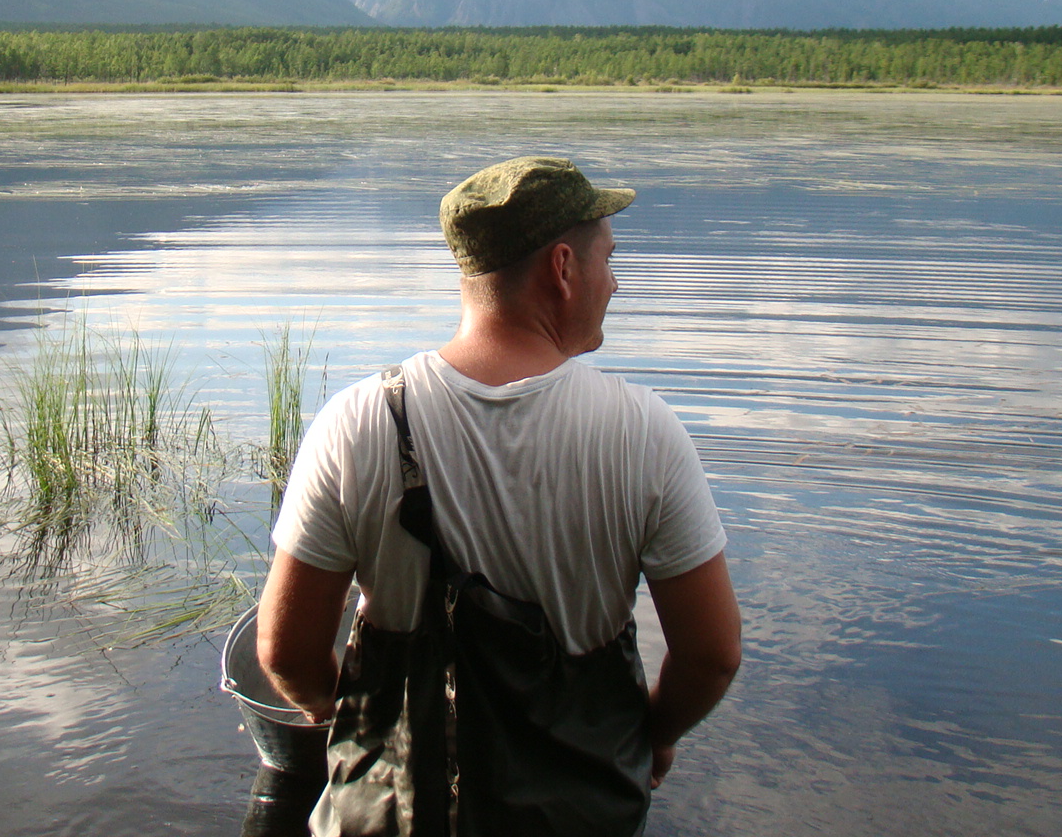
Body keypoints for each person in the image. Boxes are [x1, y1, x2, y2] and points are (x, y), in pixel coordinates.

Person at [257, 156, 742, 836]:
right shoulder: (644, 431)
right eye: (608, 260)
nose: (615, 283)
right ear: (563, 268)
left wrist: (348, 719)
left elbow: (285, 653)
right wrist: (655, 734)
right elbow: (712, 655)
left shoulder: (357, 422)